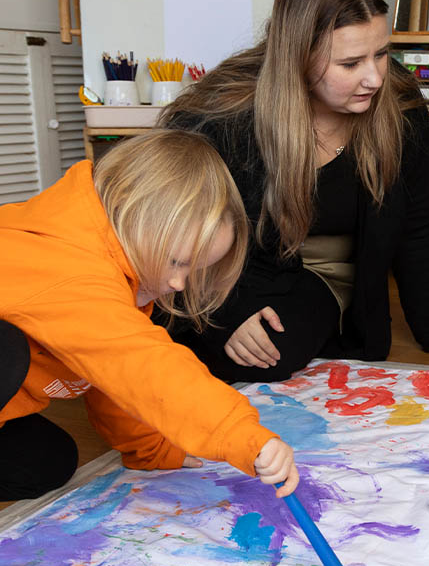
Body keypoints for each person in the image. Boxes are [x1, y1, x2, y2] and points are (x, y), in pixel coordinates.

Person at [159, 0, 429, 382]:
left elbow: (417, 223)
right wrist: (231, 309)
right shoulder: (226, 114)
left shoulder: (401, 107)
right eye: (350, 63)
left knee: (268, 354)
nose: (374, 78)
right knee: (172, 336)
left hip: (324, 272)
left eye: (382, 53)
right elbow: (174, 225)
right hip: (233, 269)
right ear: (298, 55)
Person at [0, 130, 299, 501]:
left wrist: (153, 450)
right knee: (5, 352)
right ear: (131, 212)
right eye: (176, 263)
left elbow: (113, 377)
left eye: (192, 272)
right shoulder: (67, 265)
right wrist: (241, 435)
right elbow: (141, 363)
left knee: (47, 463)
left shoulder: (123, 260)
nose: (177, 283)